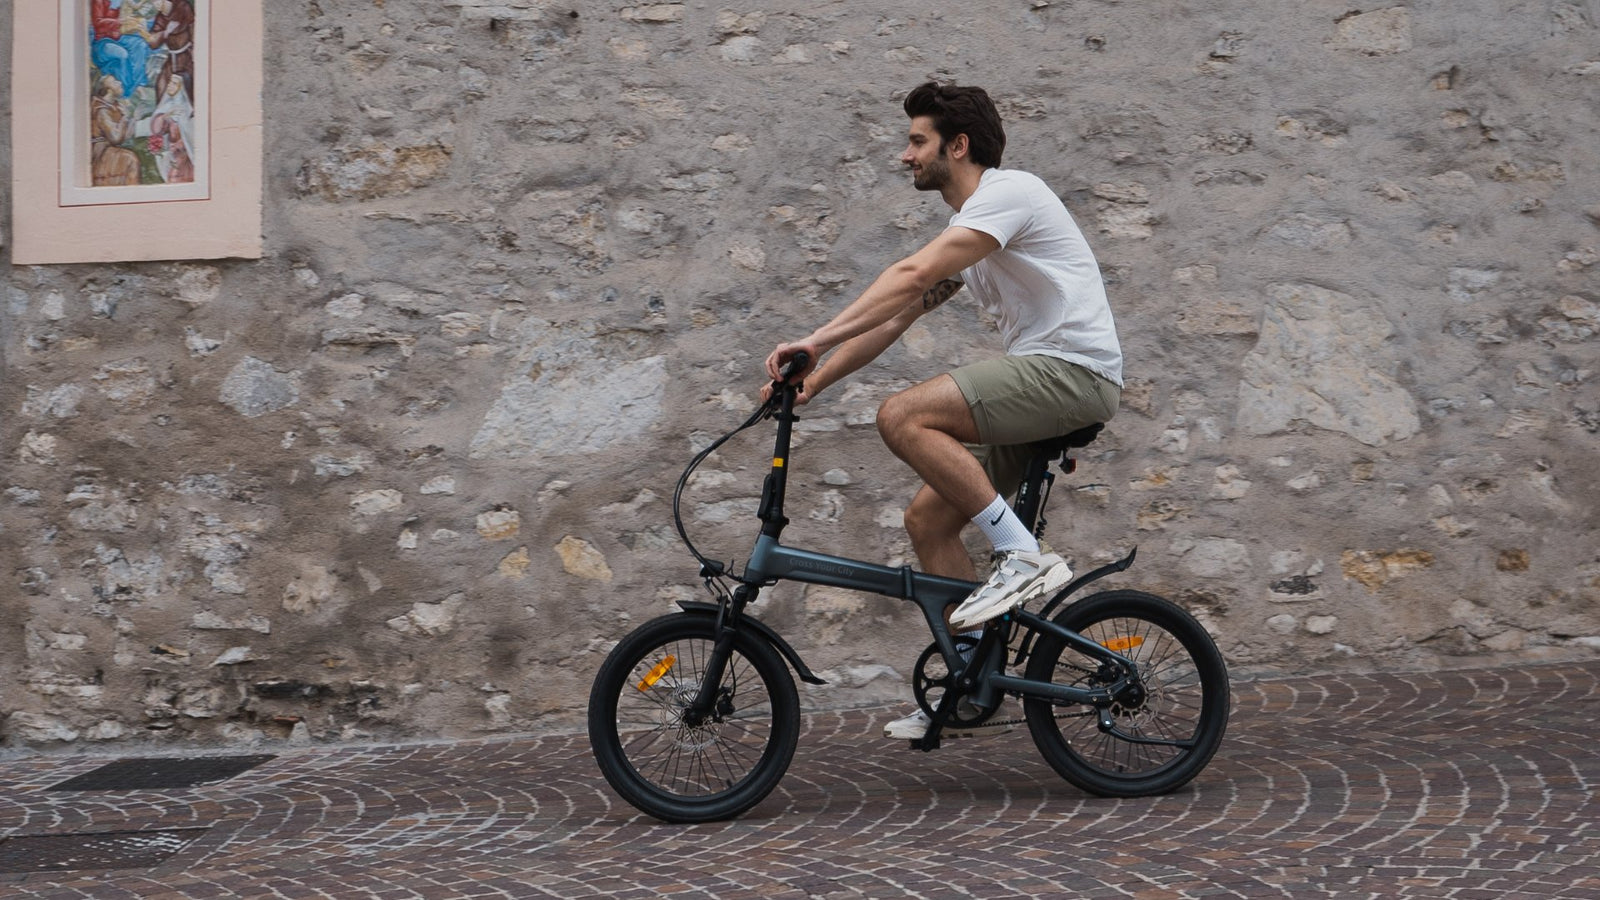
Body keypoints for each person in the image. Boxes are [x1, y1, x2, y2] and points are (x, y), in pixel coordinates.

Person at [763, 82, 1123, 740]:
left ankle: (1021, 553)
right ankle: (969, 680)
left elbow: (909, 276)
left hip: (1074, 373)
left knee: (902, 416)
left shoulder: (1009, 195)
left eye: (917, 141)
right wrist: (817, 378)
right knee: (928, 520)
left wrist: (813, 337)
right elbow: (901, 314)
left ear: (957, 147)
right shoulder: (976, 233)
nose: (905, 156)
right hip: (1047, 381)